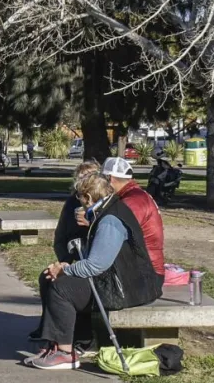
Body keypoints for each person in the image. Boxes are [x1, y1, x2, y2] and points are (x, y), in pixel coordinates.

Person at [28, 173, 162, 370]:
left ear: (89, 198)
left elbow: (95, 265)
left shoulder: (110, 220)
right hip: (118, 279)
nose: (79, 204)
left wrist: (65, 269)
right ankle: (59, 342)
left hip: (127, 288)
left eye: (80, 199)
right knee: (49, 278)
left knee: (61, 288)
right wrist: (65, 265)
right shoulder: (107, 210)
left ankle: (65, 353)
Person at [25, 159, 101, 343]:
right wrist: (64, 260)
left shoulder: (102, 206)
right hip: (73, 257)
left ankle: (76, 336)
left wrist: (91, 222)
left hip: (91, 263)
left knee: (64, 286)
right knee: (47, 277)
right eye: (81, 179)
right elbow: (61, 236)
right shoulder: (71, 204)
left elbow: (102, 240)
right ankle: (47, 327)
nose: (85, 183)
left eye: (90, 178)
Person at [100, 157, 165, 280]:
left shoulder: (134, 200)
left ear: (110, 178)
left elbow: (113, 234)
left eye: (102, 180)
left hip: (145, 273)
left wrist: (90, 221)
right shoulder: (134, 195)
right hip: (144, 267)